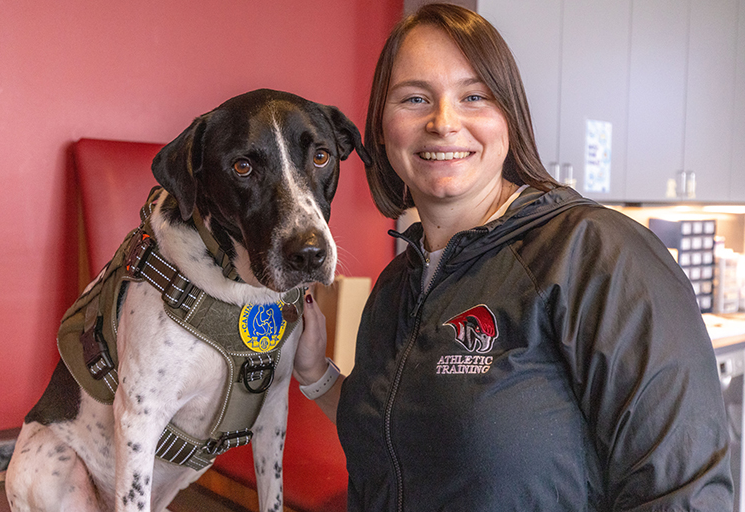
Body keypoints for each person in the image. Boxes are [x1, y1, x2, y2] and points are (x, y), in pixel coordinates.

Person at [292, 3, 734, 511]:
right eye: (414, 98)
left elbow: (683, 496)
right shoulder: (397, 285)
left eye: (474, 96)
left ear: (510, 116)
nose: (443, 122)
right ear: (381, 125)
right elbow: (396, 432)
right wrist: (316, 374)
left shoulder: (597, 257)